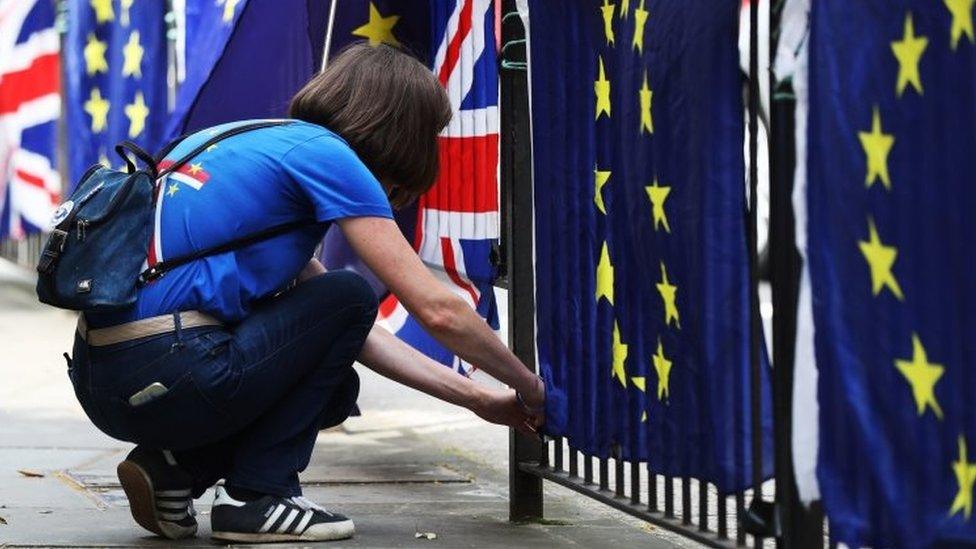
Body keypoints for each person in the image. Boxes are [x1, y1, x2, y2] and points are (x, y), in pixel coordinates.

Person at [67, 43, 545, 544]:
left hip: (102, 379)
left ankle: (174, 469)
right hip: (170, 368)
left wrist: (479, 399)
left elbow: (348, 334)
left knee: (337, 381)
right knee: (351, 292)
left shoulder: (237, 143)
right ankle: (257, 497)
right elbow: (436, 309)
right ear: (403, 132)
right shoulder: (328, 156)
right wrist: (530, 387)